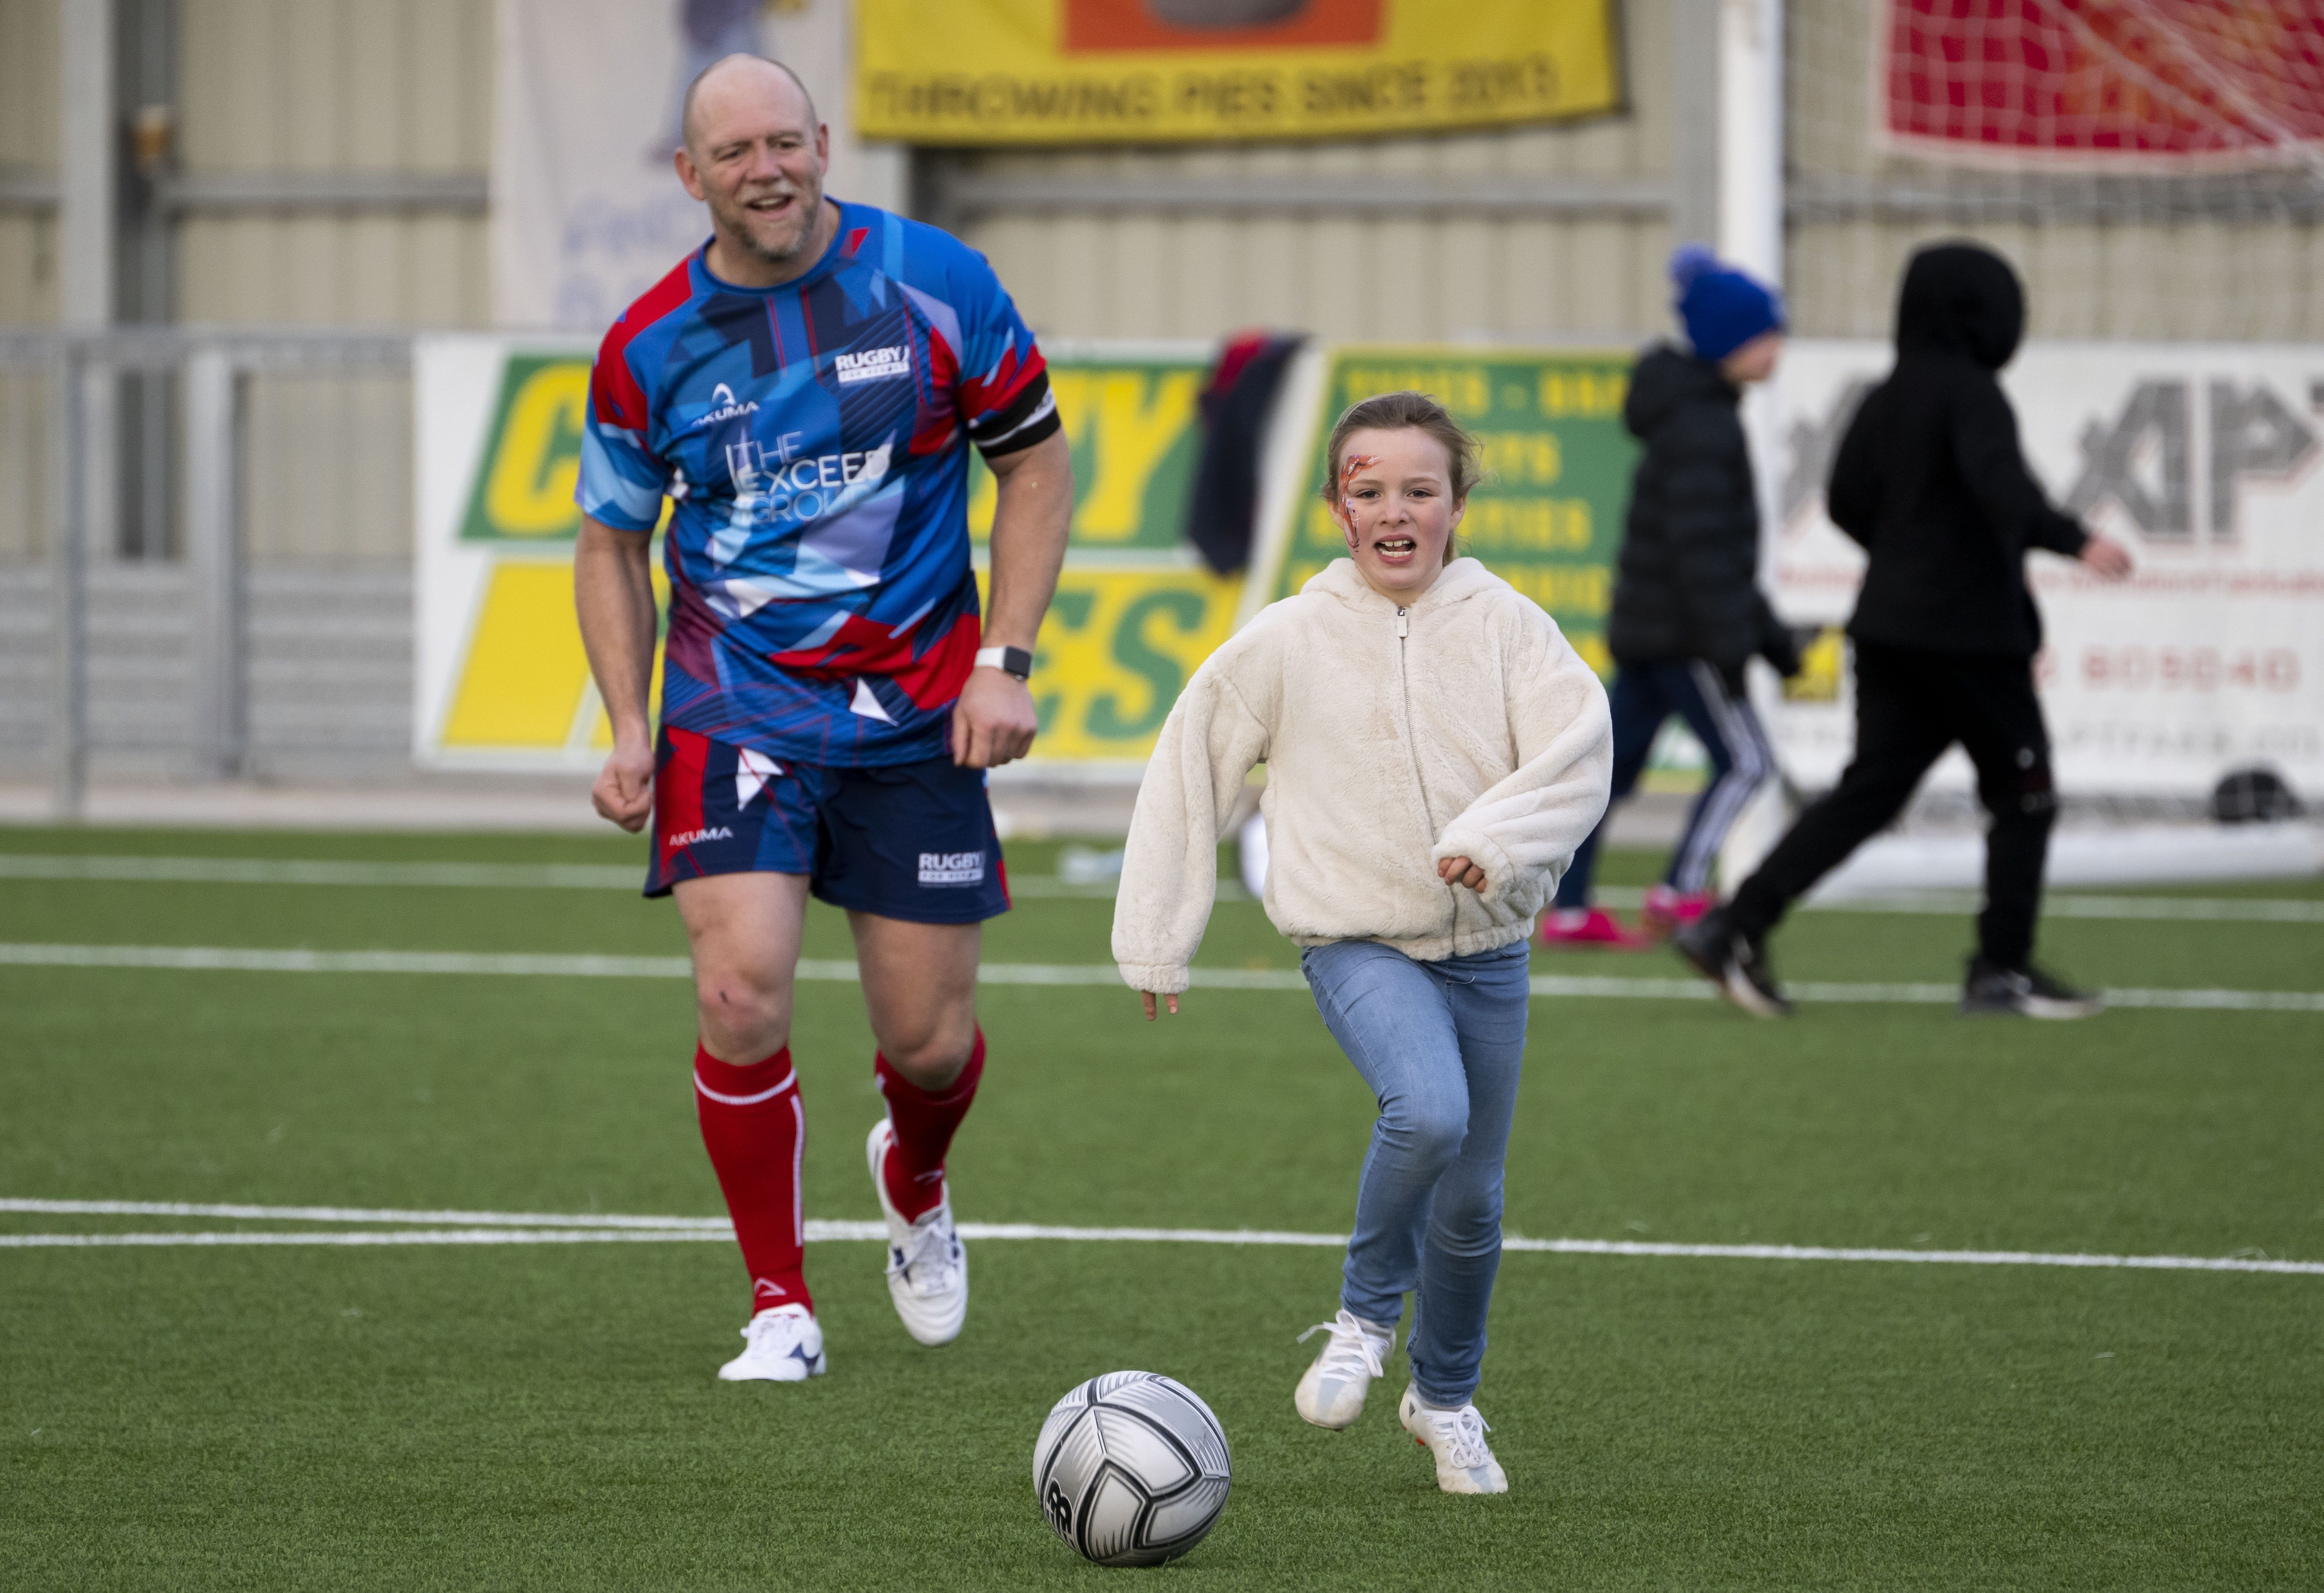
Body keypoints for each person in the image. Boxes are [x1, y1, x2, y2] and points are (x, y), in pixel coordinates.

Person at [573, 55, 1073, 1382]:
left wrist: (1005, 658)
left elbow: (1031, 460)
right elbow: (608, 543)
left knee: (931, 1039)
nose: (767, 170)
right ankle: (779, 1301)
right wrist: (629, 722)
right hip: (735, 704)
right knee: (738, 989)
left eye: (785, 142)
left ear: (824, 143)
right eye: (734, 153)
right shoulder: (645, 349)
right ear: (691, 178)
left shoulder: (937, 282)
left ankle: (914, 1177)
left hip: (919, 711)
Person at [1112, 392, 1611, 1494]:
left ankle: (1444, 1401)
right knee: (1427, 1110)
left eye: (1419, 491)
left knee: (1474, 1202)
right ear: (1339, 508)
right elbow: (1188, 762)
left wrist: (1495, 843)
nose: (1395, 510)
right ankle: (1361, 1318)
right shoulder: (1288, 640)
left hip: (1490, 952)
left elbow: (1578, 751)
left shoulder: (1509, 627)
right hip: (1355, 942)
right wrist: (1156, 935)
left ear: (1456, 504)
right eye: (1370, 490)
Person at [1675, 240, 2134, 1019]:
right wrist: (2073, 540)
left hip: (1888, 628)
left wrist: (1906, 552)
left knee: (1867, 792)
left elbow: (1848, 498)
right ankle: (2000, 968)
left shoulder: (1885, 396)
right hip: (1971, 639)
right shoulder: (1974, 394)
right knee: (2025, 795)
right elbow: (2002, 487)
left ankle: (1732, 923)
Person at [1543, 246, 1804, 949]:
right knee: (1749, 763)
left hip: (1649, 631)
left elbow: (1708, 550)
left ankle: (1567, 910)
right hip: (1684, 636)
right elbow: (1705, 556)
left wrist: (1770, 638)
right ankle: (1680, 891)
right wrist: (1734, 646)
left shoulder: (1686, 415)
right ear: (1729, 342)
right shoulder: (1704, 425)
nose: (1778, 347)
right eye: (1766, 334)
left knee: (1606, 774)